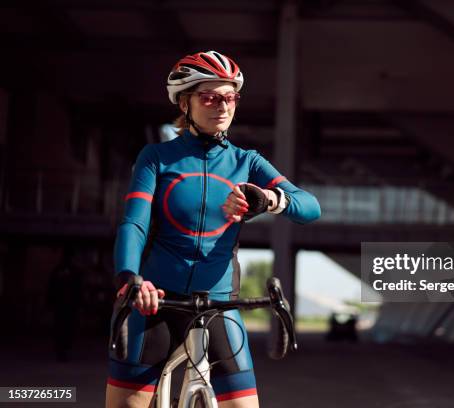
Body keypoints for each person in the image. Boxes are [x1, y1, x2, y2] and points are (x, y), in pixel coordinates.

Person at [106, 50, 321, 408]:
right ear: (185, 102)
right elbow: (135, 223)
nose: (221, 106)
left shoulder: (247, 161)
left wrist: (269, 199)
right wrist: (131, 279)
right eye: (209, 97)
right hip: (156, 302)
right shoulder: (156, 158)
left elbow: (310, 208)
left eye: (229, 97)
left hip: (219, 304)